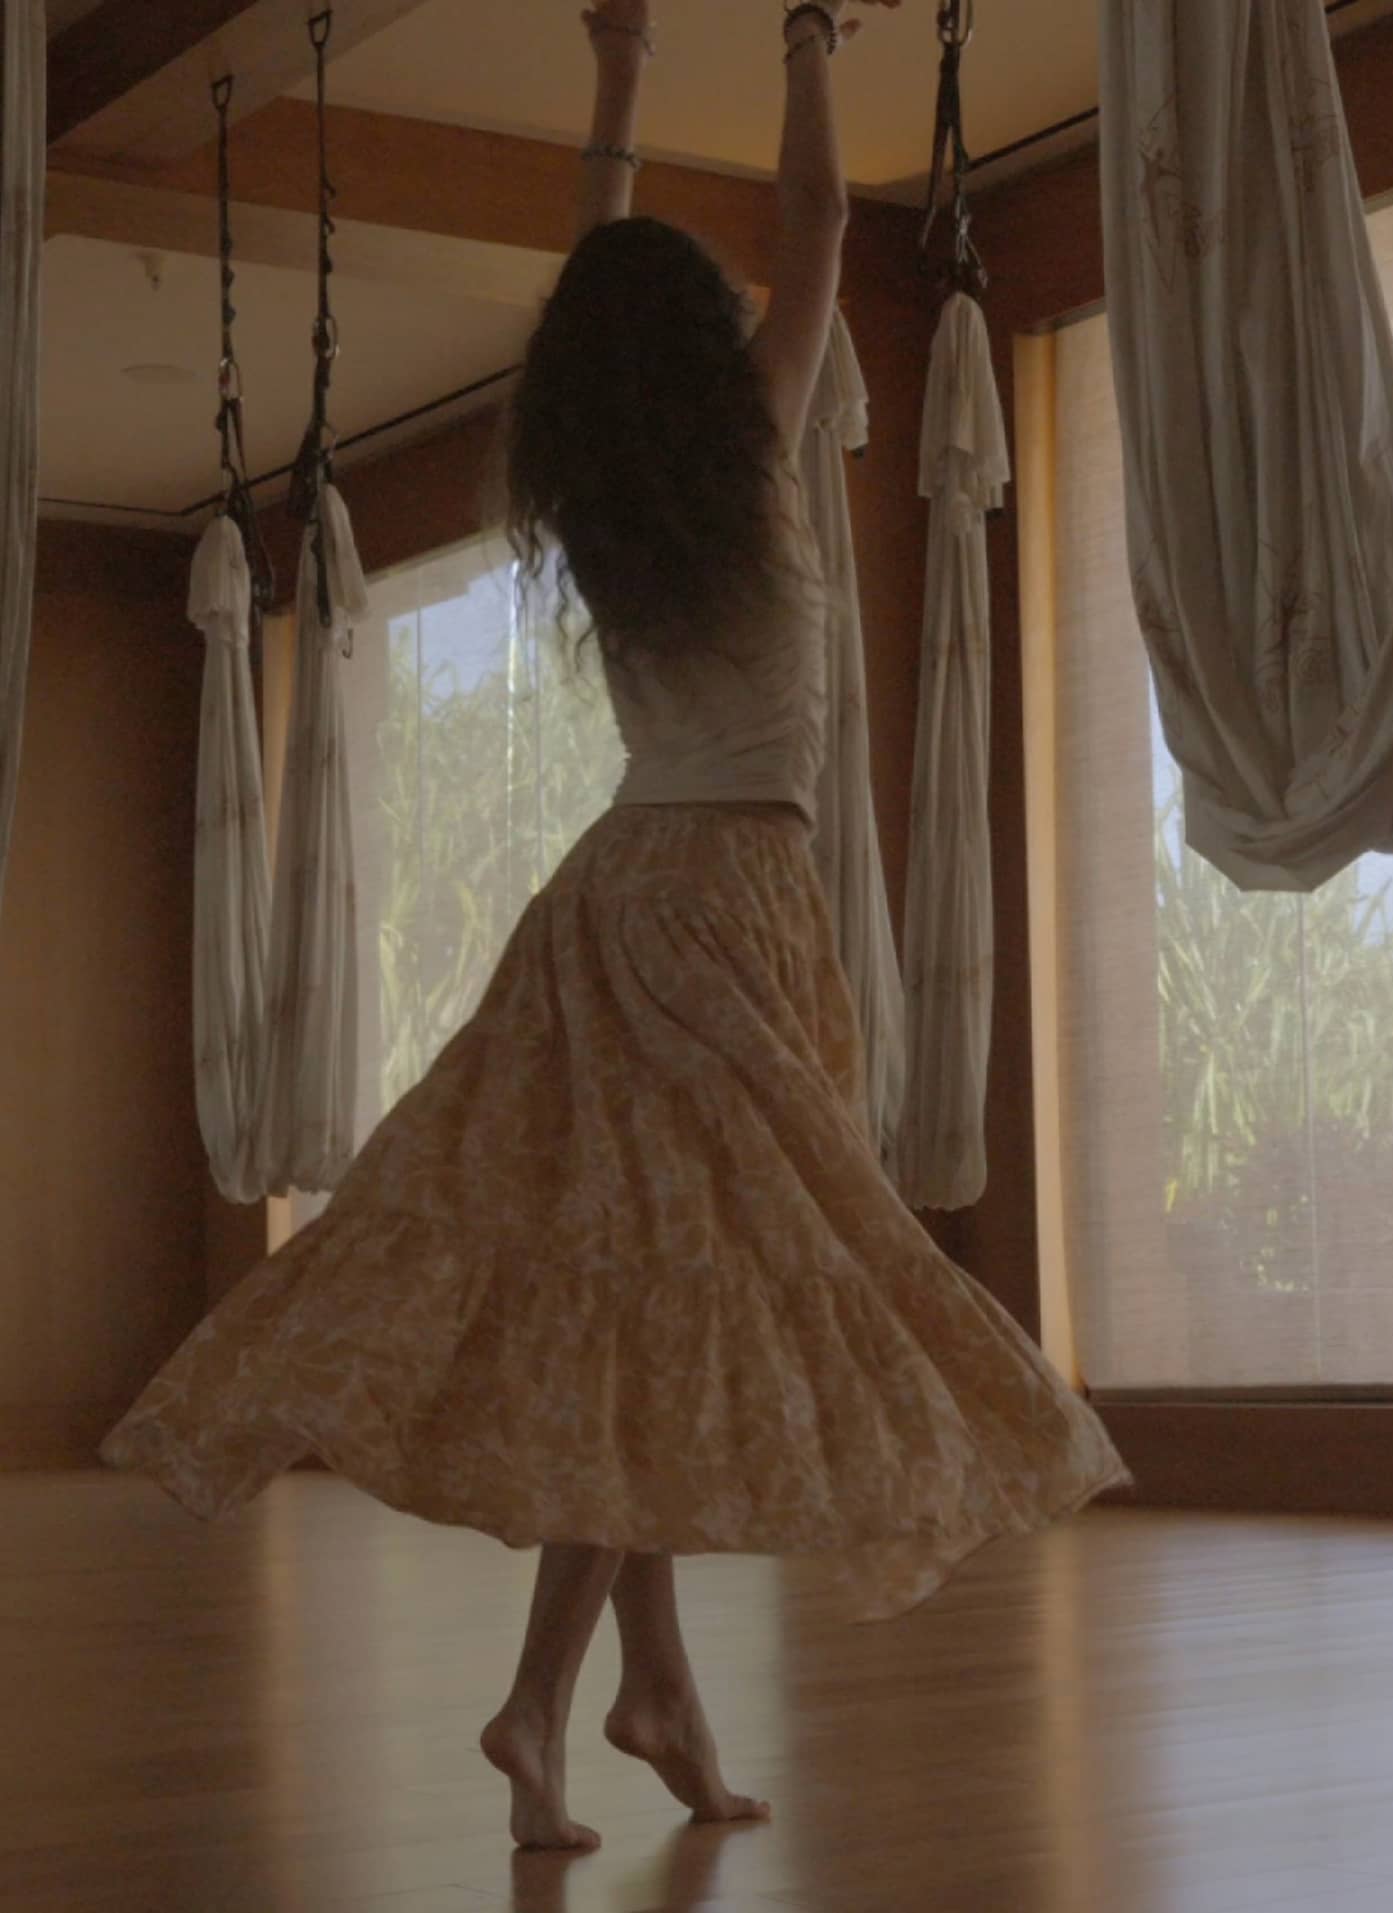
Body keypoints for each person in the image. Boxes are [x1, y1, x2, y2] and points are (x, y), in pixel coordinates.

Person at [102, 0, 1128, 1856]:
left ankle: (626, 1690)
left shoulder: (601, 489)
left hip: (611, 900)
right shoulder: (751, 447)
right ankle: (558, 1693)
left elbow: (617, 254)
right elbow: (818, 228)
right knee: (681, 1285)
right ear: (708, 354)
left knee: (642, 1290)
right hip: (730, 901)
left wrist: (624, 75)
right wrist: (809, 40)